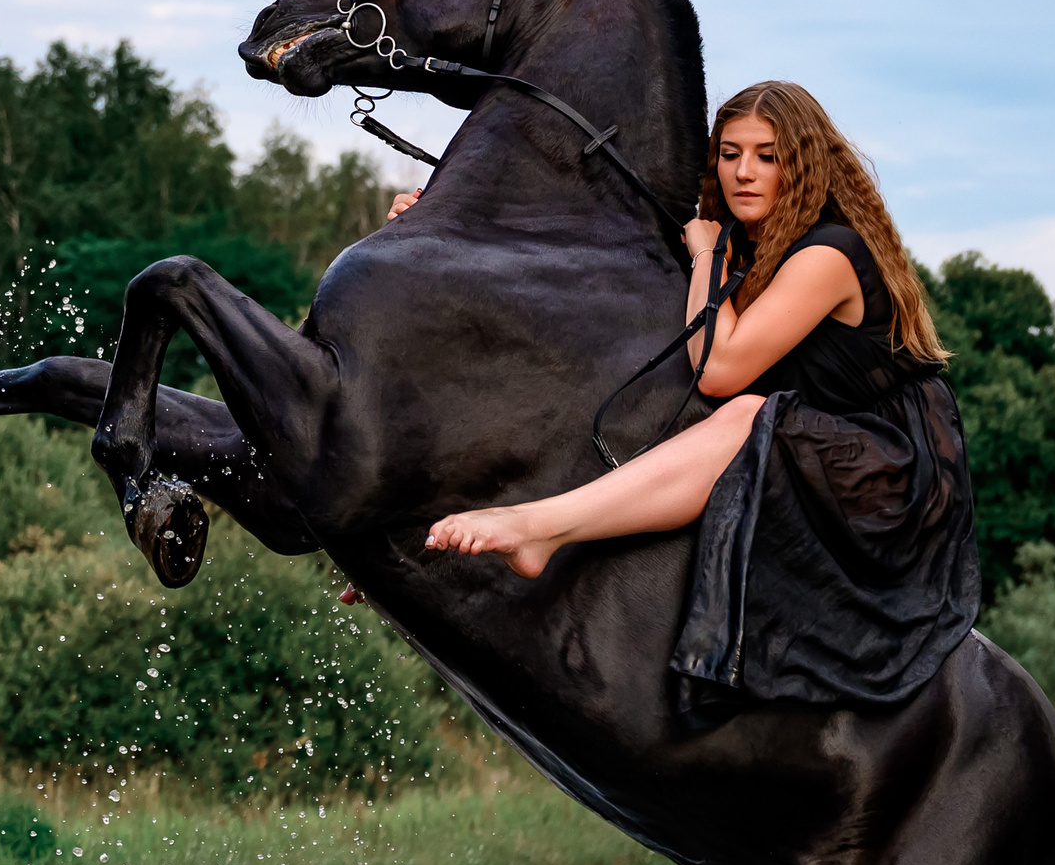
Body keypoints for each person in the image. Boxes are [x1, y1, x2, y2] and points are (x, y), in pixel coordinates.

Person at [418, 80, 980, 707]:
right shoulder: (754, 248)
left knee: (740, 413)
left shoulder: (829, 252)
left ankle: (537, 529)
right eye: (730, 152)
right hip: (815, 449)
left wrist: (708, 255)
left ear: (804, 164)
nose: (743, 172)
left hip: (887, 472)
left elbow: (718, 368)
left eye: (768, 156)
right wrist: (444, 226)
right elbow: (592, 261)